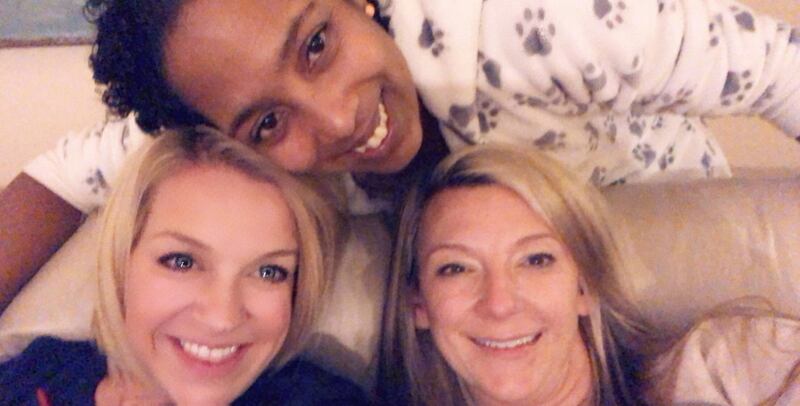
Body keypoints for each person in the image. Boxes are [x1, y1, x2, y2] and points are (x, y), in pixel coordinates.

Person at [2, 0, 799, 308]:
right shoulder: (213, 127)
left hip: (654, 218)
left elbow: (778, 67)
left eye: (318, 43)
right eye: (269, 123)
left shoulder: (534, 27)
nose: (338, 118)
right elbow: (59, 178)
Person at [378, 143, 800, 405]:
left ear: (585, 285)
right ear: (419, 304)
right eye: (456, 268)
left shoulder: (726, 366)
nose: (500, 303)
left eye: (536, 260)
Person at [0, 129, 369, 404]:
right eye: (183, 261)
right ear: (123, 261)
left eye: (268, 272)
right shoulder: (36, 375)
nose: (222, 318)